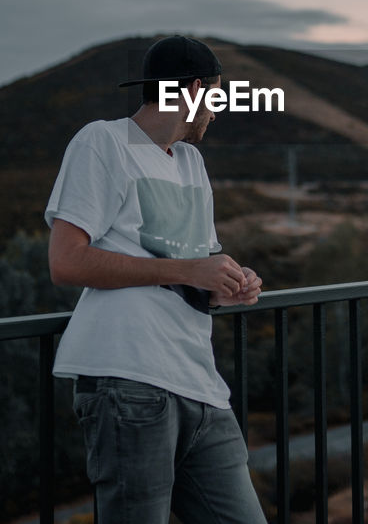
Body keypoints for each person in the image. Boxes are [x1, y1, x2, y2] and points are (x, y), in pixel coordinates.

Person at [46, 35, 267, 523]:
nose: (218, 110)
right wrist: (189, 269)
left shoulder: (191, 163)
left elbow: (199, 264)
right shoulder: (102, 141)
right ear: (192, 91)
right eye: (217, 95)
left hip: (198, 382)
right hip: (128, 380)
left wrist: (232, 280)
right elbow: (66, 262)